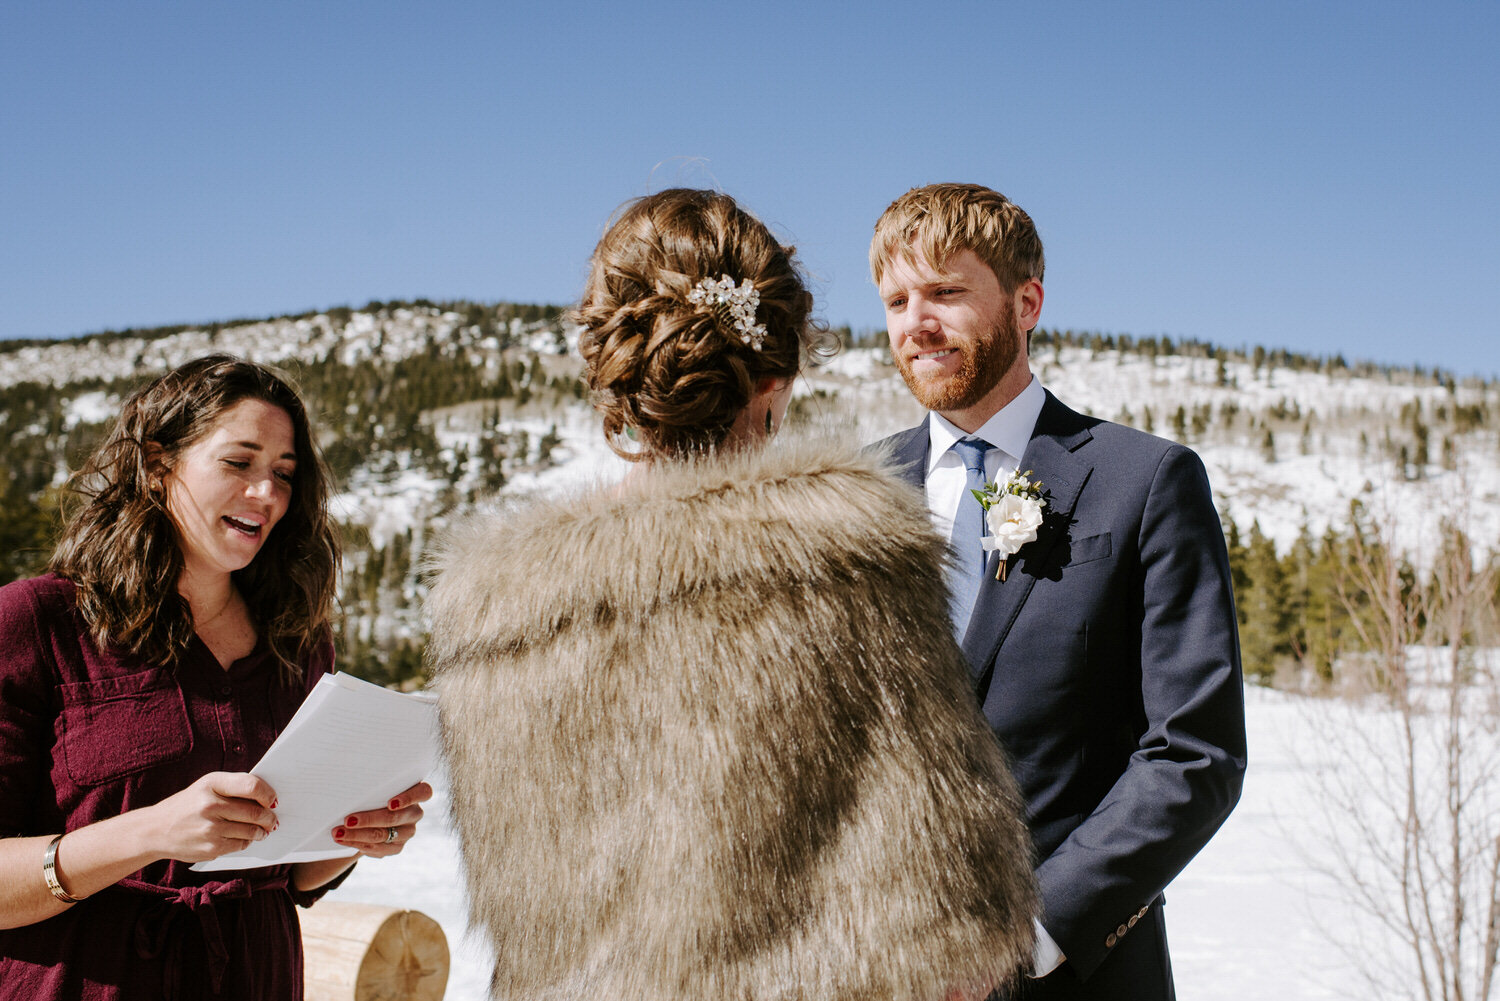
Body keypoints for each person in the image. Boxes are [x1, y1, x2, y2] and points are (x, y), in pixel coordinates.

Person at [428, 188, 1038, 1001]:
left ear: (615, 374)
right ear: (776, 381)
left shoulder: (493, 606)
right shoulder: (847, 555)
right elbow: (961, 918)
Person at [869, 183, 1247, 1000]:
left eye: (944, 292)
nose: (915, 324)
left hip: (1078, 976)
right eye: (897, 300)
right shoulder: (852, 493)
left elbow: (1194, 752)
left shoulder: (1143, 481)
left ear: (1026, 301)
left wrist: (1034, 933)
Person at [0, 355, 432, 1000]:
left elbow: (289, 874)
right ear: (156, 465)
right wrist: (152, 832)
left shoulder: (298, 644)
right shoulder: (37, 621)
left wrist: (354, 837)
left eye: (284, 474)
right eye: (239, 463)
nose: (267, 494)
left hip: (257, 977)